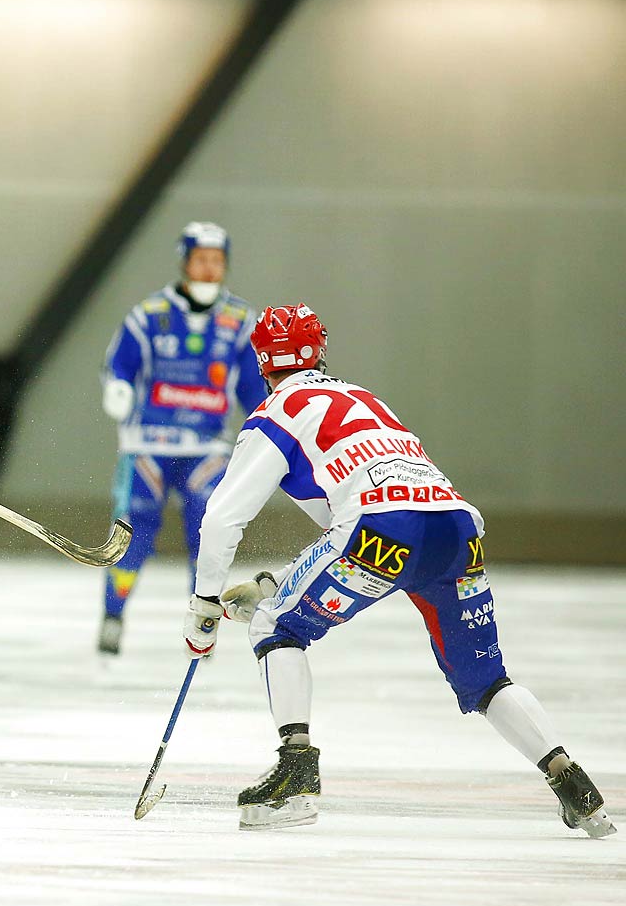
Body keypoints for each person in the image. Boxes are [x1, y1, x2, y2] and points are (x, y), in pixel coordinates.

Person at [183, 304, 614, 837]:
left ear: (261, 361)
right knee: (485, 680)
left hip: (382, 531)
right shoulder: (365, 399)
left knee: (276, 627)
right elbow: (350, 520)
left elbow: (225, 516)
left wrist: (204, 605)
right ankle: (574, 785)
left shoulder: (275, 414)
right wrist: (278, 584)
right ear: (319, 349)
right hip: (457, 530)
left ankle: (296, 775)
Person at [97, 221, 263, 655]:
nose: (210, 269)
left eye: (217, 261)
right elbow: (119, 365)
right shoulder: (150, 315)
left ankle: (200, 627)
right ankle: (113, 616)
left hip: (207, 450)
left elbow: (254, 389)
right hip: (147, 446)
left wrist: (269, 423)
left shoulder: (241, 322)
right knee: (132, 533)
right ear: (185, 261)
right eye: (201, 260)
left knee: (208, 537)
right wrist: (117, 387)